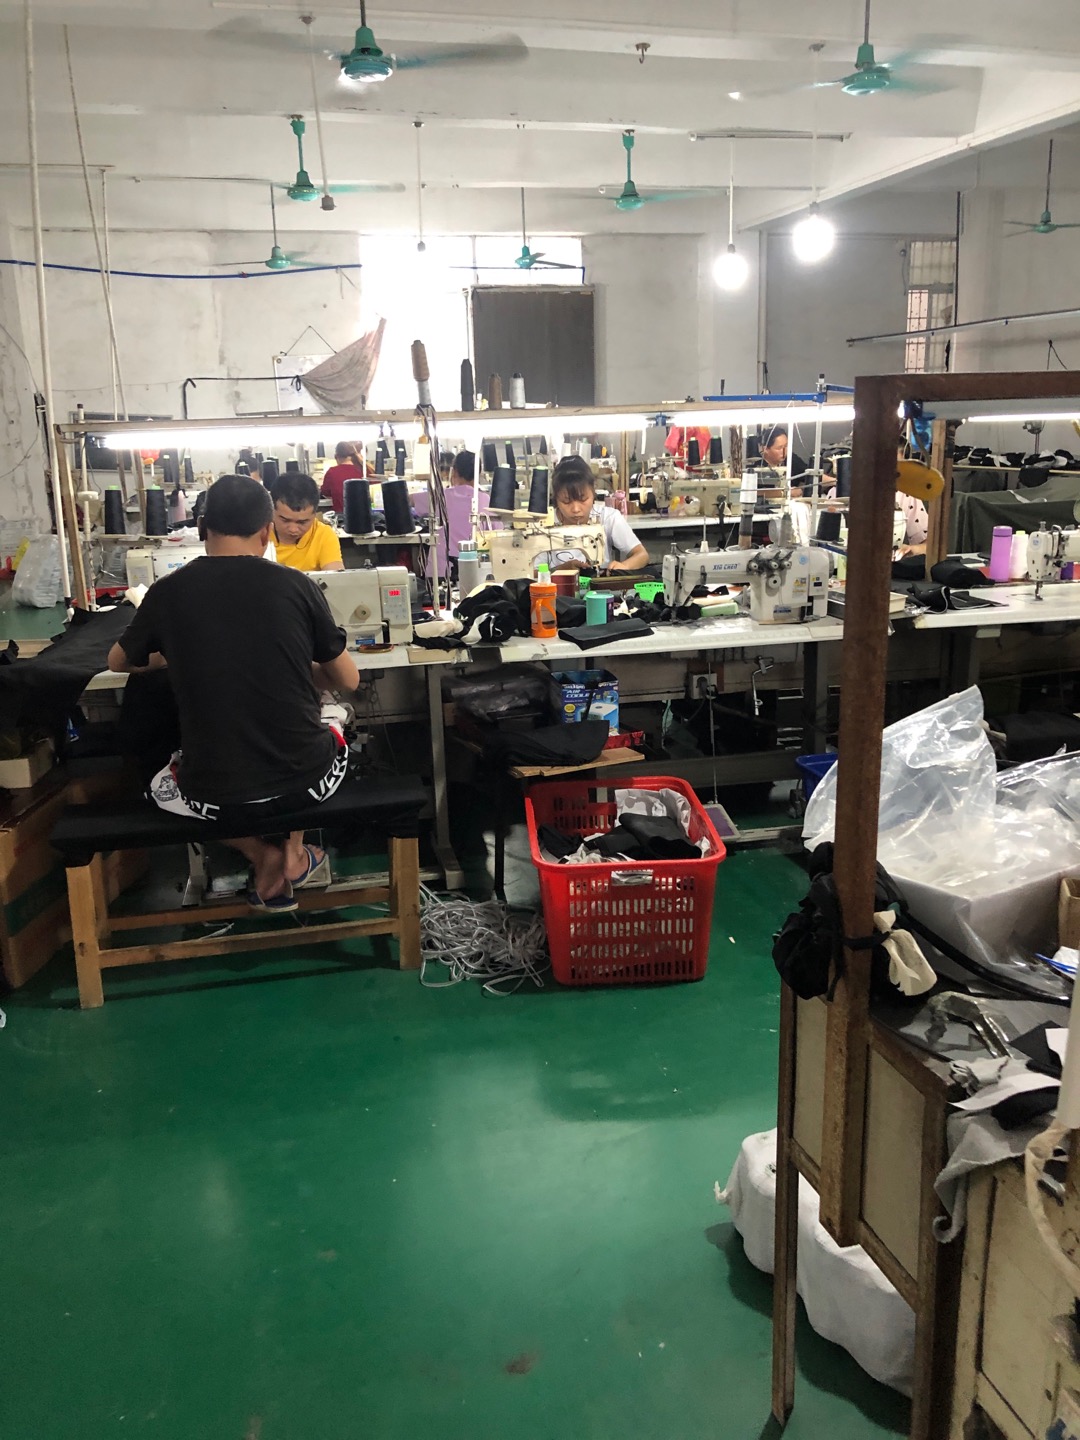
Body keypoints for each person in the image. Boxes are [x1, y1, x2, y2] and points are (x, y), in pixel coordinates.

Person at [107, 474, 361, 909]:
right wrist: (293, 671)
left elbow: (118, 661)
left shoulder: (168, 591)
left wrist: (175, 655)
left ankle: (261, 855)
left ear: (202, 528)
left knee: (160, 779)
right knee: (332, 719)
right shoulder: (296, 585)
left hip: (213, 798)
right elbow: (348, 680)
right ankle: (293, 852)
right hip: (307, 785)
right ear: (266, 532)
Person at [549, 455, 648, 572]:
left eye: (583, 499)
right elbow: (532, 573)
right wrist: (560, 570)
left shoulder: (608, 517)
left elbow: (642, 555)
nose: (575, 509)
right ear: (556, 499)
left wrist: (624, 566)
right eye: (566, 501)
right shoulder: (543, 524)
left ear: (593, 492)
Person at [412, 450, 496, 576]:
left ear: (454, 471)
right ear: (479, 472)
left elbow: (407, 499)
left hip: (441, 572)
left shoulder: (440, 497)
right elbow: (497, 535)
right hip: (476, 572)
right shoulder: (487, 500)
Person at [270, 472, 344, 571]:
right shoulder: (257, 533)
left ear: (315, 515)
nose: (293, 529)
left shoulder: (323, 535)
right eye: (285, 520)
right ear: (271, 510)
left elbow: (335, 577)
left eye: (302, 522)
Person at [320, 441, 367, 514]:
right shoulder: (363, 470)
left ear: (336, 456)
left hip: (341, 516)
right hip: (363, 515)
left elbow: (325, 492)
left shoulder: (332, 472)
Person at [760, 425, 808, 496]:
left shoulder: (791, 459)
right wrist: (786, 493)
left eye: (786, 446)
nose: (784, 451)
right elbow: (753, 492)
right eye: (779, 448)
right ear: (765, 449)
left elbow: (811, 475)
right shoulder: (756, 464)